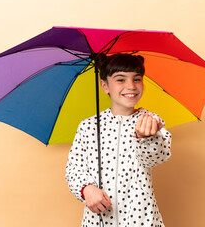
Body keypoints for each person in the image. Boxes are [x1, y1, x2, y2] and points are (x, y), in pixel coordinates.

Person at [65, 53, 172, 227]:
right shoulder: (88, 126)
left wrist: (145, 138)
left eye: (137, 79)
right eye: (120, 80)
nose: (131, 86)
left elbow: (156, 157)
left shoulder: (150, 121)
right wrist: (87, 189)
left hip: (140, 219)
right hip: (97, 221)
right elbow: (74, 169)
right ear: (105, 86)